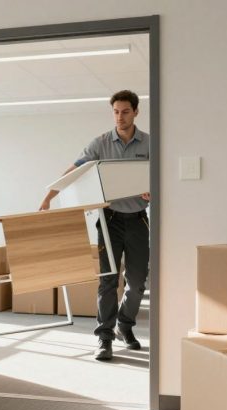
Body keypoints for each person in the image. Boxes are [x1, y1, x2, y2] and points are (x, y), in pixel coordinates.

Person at [39, 90, 150, 361]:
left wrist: (154, 191)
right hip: (109, 220)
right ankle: (104, 337)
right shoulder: (100, 143)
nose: (120, 117)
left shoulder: (149, 143)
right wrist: (48, 197)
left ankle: (125, 323)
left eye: (125, 111)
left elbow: (162, 175)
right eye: (116, 112)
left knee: (136, 284)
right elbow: (73, 170)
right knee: (108, 281)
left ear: (136, 112)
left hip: (137, 220)